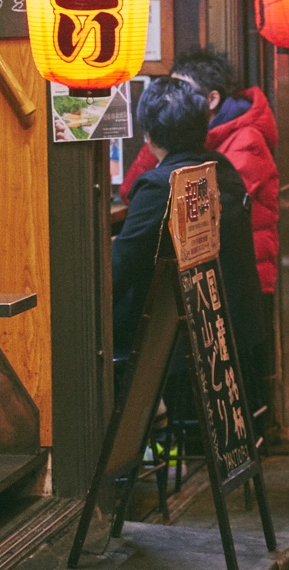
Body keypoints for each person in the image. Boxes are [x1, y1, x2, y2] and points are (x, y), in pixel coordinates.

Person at [112, 77, 264, 395]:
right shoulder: (221, 168)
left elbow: (119, 270)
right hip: (233, 330)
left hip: (182, 341)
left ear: (149, 135)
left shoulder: (160, 185)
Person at [120, 46, 280, 294]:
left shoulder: (246, 140)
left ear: (211, 100)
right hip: (213, 277)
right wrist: (159, 134)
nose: (175, 99)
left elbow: (209, 212)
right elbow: (130, 191)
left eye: (184, 91)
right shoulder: (190, 140)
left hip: (240, 282)